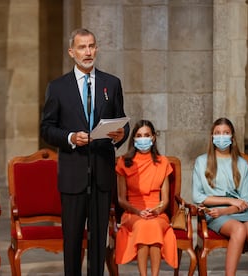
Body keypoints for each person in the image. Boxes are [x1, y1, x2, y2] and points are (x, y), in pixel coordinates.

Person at [40, 28, 129, 275]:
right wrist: (69, 137)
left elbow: (122, 122)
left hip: (101, 173)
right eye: (82, 47)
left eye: (91, 46)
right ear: (72, 52)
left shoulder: (112, 83)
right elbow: (46, 129)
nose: (88, 52)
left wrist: (122, 135)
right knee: (72, 239)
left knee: (99, 240)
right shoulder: (58, 87)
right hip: (73, 174)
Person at [192, 117, 248, 276]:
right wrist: (228, 200)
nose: (221, 136)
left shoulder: (241, 164)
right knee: (239, 230)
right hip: (214, 212)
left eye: (225, 133)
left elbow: (244, 201)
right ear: (212, 137)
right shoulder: (201, 161)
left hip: (239, 212)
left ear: (232, 138)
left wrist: (226, 209)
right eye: (217, 133)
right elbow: (198, 196)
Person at [115, 120, 177, 275]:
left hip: (157, 212)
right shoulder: (124, 162)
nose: (143, 139)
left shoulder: (163, 163)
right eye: (139, 136)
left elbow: (166, 200)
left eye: (146, 135)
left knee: (153, 225)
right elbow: (121, 199)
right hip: (132, 213)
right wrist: (137, 212)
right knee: (143, 226)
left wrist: (156, 211)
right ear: (134, 139)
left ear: (153, 138)